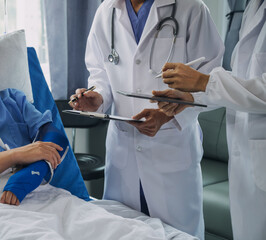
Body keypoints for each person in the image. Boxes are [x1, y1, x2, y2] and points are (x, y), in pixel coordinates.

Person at [69, 0, 224, 238]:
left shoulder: (191, 9)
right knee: (123, 231)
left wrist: (166, 115)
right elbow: (100, 73)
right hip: (123, 153)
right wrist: (97, 98)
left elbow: (211, 81)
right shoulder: (106, 11)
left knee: (178, 234)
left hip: (171, 147)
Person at [154, 1, 266, 239]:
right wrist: (189, 96)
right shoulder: (252, 8)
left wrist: (204, 82)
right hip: (246, 162)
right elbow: (240, 82)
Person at [0, 88, 64, 206]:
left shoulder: (12, 99)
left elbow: (55, 138)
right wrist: (16, 155)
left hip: (34, 188)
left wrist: (28, 176)